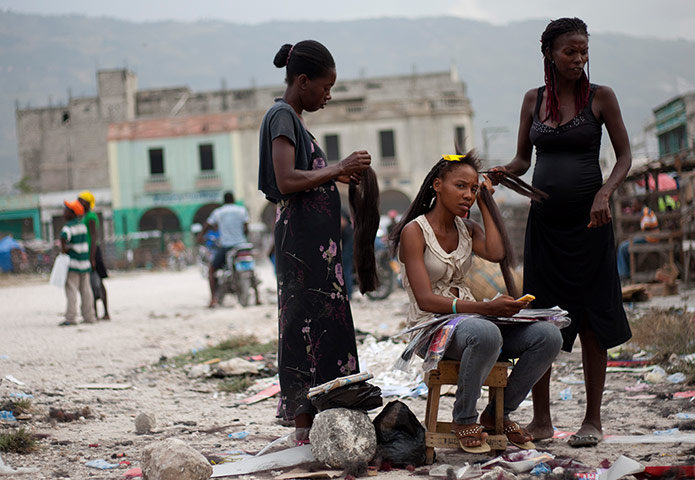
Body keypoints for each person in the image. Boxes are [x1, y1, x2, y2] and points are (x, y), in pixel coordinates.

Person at [491, 18, 632, 447]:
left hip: (591, 226)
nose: (579, 59)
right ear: (549, 54)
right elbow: (521, 160)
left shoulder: (600, 97)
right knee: (543, 320)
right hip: (545, 229)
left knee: (590, 319)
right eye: (570, 51)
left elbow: (624, 157)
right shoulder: (532, 101)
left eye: (584, 51)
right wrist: (498, 173)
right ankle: (542, 420)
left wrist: (605, 193)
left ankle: (592, 420)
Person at [390, 153, 562, 453]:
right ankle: (464, 418)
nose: (467, 194)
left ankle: (498, 413)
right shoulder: (414, 232)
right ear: (437, 185)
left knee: (548, 336)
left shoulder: (467, 229)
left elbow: (496, 252)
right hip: (431, 328)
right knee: (486, 333)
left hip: (472, 323)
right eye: (460, 186)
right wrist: (486, 308)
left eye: (473, 189)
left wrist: (484, 202)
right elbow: (426, 299)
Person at [258, 40, 372, 444]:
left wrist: (337, 176)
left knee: (320, 326)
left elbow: (305, 177)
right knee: (306, 327)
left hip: (315, 253)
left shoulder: (293, 120)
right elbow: (288, 180)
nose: (328, 95)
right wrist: (338, 167)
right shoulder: (282, 116)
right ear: (302, 81)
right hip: (303, 251)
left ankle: (319, 425)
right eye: (325, 87)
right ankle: (305, 430)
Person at [197, 192, 249, 307]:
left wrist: (200, 236)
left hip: (227, 245)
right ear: (234, 199)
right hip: (242, 245)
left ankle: (213, 299)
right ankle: (257, 296)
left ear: (224, 200)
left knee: (212, 270)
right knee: (252, 267)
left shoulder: (219, 212)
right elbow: (246, 228)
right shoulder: (241, 210)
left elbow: (207, 225)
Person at [59, 200, 96, 326]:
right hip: (84, 264)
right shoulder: (82, 226)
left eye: (66, 210)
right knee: (86, 290)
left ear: (72, 213)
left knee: (71, 290)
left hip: (73, 264)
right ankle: (89, 316)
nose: (63, 212)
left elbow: (63, 238)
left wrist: (65, 248)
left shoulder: (68, 227)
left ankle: (71, 317)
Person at [78, 190, 110, 320]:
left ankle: (106, 312)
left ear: (87, 202)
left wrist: (92, 257)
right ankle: (94, 313)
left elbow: (93, 236)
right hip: (89, 252)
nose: (79, 203)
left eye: (81, 200)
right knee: (91, 283)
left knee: (98, 282)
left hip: (93, 252)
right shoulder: (84, 216)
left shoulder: (91, 216)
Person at [616, 201, 660, 282]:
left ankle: (623, 274)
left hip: (649, 238)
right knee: (625, 248)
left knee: (622, 247)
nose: (633, 206)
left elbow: (646, 228)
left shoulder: (646, 212)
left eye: (634, 204)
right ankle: (626, 272)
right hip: (649, 237)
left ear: (639, 203)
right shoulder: (644, 211)